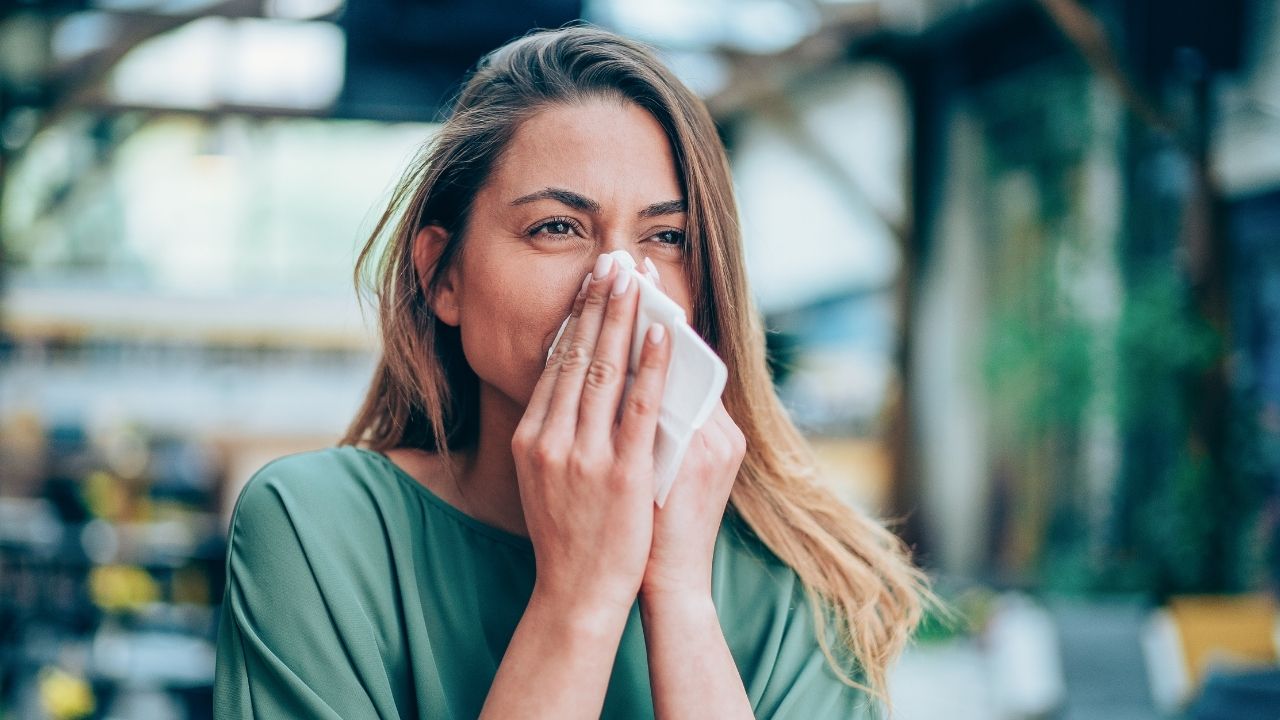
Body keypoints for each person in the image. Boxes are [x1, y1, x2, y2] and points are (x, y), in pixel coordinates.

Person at [213, 23, 934, 719]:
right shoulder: (315, 529)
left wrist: (681, 598)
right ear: (443, 276)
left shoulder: (800, 579)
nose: (622, 282)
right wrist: (577, 599)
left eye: (667, 237)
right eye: (557, 227)